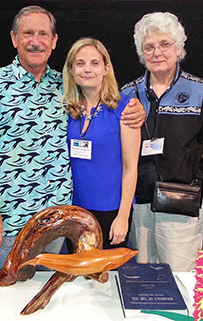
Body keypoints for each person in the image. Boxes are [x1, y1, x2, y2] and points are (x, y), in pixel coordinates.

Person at [0, 5, 145, 271]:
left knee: (57, 291)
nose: (35, 41)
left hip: (60, 216)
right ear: (14, 38)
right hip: (12, 215)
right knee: (15, 290)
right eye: (28, 33)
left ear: (54, 41)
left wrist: (136, 109)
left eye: (43, 34)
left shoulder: (64, 87)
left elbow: (103, 102)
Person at [121, 12, 203, 271]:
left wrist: (184, 168)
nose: (157, 52)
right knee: (142, 273)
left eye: (165, 44)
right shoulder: (127, 93)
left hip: (181, 200)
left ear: (178, 47)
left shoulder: (200, 91)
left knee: (180, 273)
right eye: (149, 47)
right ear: (141, 53)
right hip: (139, 200)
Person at [62, 37, 140, 249]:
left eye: (94, 63)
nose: (87, 69)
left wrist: (123, 216)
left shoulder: (126, 108)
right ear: (71, 70)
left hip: (111, 210)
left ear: (106, 68)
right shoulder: (66, 109)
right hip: (74, 209)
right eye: (80, 63)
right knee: (77, 274)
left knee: (106, 276)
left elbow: (130, 168)